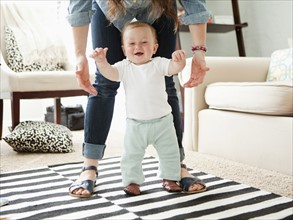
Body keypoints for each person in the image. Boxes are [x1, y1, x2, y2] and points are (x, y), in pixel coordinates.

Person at [67, 0, 210, 198]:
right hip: (109, 7)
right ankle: (89, 167)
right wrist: (79, 56)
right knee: (104, 85)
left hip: (160, 6)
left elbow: (195, 3)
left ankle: (176, 165)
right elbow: (79, 5)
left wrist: (199, 53)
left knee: (166, 80)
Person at [90, 21, 186, 196]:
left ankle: (170, 178)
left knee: (170, 153)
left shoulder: (158, 63)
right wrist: (101, 62)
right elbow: (110, 74)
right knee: (131, 156)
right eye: (132, 44)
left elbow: (173, 68)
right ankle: (132, 182)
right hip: (136, 124)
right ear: (124, 49)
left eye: (144, 42)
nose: (138, 47)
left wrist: (179, 62)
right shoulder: (124, 67)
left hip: (163, 122)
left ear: (155, 48)